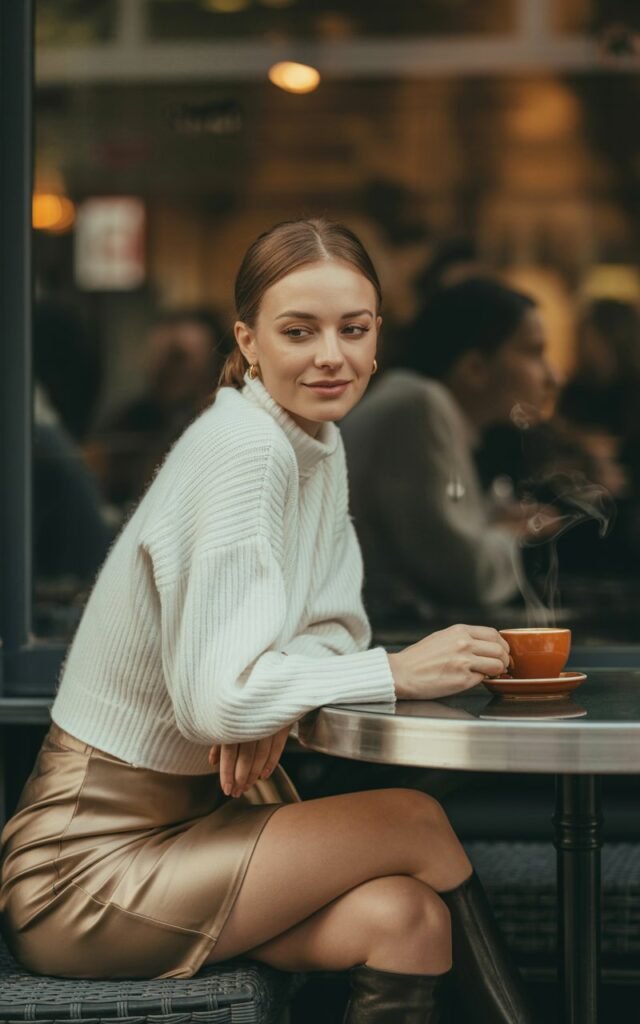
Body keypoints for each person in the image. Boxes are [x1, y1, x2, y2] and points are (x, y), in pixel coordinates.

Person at [0, 220, 535, 1024]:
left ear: (378, 337)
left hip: (201, 826)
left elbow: (333, 627)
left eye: (353, 329)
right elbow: (222, 700)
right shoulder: (244, 449)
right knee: (414, 819)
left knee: (406, 919)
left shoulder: (312, 445)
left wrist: (270, 696)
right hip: (87, 869)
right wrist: (389, 671)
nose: (332, 355)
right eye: (299, 330)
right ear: (248, 341)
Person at [341, 277, 558, 622]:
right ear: (475, 368)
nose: (552, 376)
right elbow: (469, 578)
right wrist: (516, 531)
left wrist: (493, 521)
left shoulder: (421, 403)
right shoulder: (419, 405)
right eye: (534, 352)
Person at [94, 307, 227, 508]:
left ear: (214, 362)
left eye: (179, 357)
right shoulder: (129, 419)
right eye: (159, 357)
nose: (166, 368)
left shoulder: (226, 420)